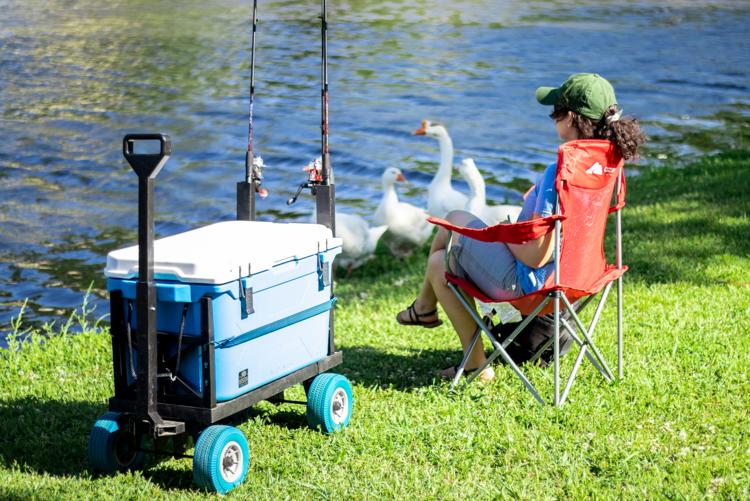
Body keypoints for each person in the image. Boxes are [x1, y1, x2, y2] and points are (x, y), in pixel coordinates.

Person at [396, 73, 646, 382]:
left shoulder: (563, 171)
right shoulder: (608, 162)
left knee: (453, 222)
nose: (552, 117)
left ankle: (438, 325)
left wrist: (505, 231)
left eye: (555, 111)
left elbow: (535, 255)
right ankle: (428, 314)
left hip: (535, 286)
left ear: (569, 118)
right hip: (580, 277)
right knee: (440, 258)